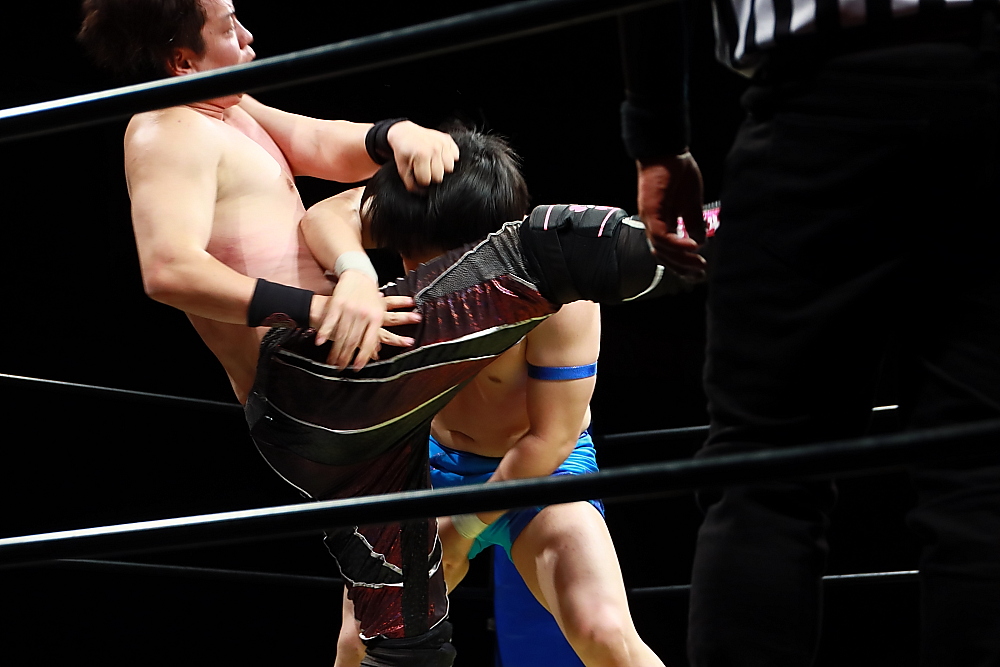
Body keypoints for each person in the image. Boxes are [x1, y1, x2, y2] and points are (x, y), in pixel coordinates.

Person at [619, 2, 1000, 665]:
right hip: (981, 92)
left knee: (766, 472)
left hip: (814, 98)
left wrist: (657, 140)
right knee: (981, 467)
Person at [311, 130, 665, 667]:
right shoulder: (424, 219)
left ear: (480, 247)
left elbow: (551, 438)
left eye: (428, 261)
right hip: (427, 466)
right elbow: (325, 215)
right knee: (356, 644)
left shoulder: (561, 290)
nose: (415, 278)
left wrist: (463, 528)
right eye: (405, 258)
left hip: (543, 473)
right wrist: (356, 274)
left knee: (603, 630)